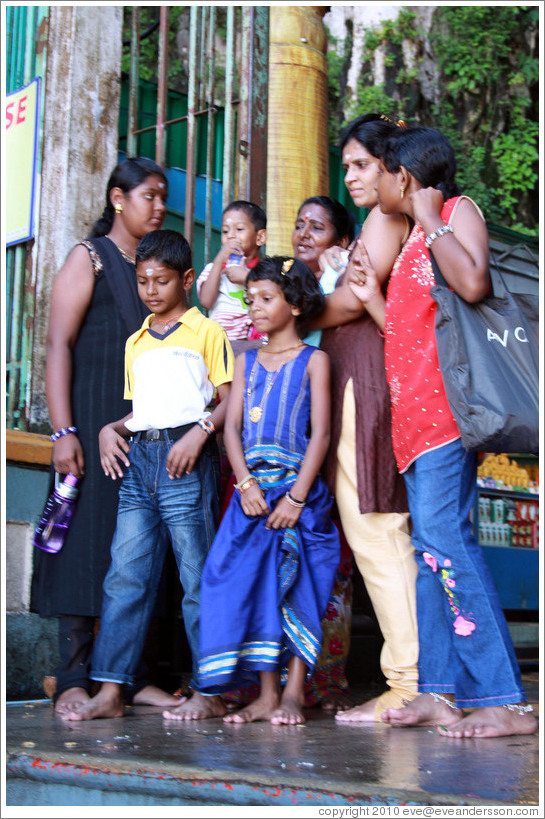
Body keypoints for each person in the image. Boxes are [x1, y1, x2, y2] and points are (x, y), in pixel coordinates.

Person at [348, 124, 537, 739]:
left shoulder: (454, 213)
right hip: (414, 426)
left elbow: (474, 282)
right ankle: (438, 690)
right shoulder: (408, 247)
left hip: (446, 422)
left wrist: (432, 216)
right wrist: (368, 294)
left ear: (405, 177)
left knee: (448, 548)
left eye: (381, 171)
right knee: (432, 556)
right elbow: (408, 334)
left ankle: (503, 699)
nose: (372, 182)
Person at [62, 229, 234, 721]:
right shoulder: (136, 341)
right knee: (125, 578)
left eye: (161, 281)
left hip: (185, 461)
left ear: (184, 279)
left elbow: (228, 400)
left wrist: (200, 433)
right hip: (140, 465)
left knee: (197, 579)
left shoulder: (207, 332)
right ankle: (112, 691)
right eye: (142, 282)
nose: (151, 291)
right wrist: (106, 430)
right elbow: (142, 412)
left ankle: (210, 689)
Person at [30, 157, 181, 714]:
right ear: (118, 199)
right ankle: (72, 675)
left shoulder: (155, 269)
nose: (159, 206)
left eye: (163, 196)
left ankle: (133, 676)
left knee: (140, 548)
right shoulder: (87, 258)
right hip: (90, 424)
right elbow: (56, 347)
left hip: (144, 431)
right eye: (149, 195)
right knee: (85, 544)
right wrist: (64, 430)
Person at [164, 256, 340, 725]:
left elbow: (321, 434)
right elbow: (232, 431)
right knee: (233, 579)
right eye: (251, 299)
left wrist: (298, 499)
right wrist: (243, 484)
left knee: (301, 586)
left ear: (297, 305)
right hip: (253, 496)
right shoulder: (245, 362)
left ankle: (294, 693)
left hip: (298, 497)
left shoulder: (315, 361)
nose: (255, 308)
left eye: (266, 299)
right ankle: (265, 693)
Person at [309, 115, 420, 724]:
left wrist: (292, 316)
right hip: (364, 379)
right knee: (376, 530)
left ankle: (408, 683)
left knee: (376, 529)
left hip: (367, 384)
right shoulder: (385, 215)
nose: (349, 176)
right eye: (345, 165)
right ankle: (412, 678)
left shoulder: (385, 213)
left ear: (388, 165)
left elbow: (355, 297)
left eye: (359, 165)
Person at [289, 196, 356, 713]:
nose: (305, 233)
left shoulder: (339, 282)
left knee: (331, 554)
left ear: (340, 238)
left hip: (330, 428)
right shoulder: (280, 283)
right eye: (299, 225)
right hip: (280, 435)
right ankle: (273, 682)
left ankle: (324, 680)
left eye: (318, 227)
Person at [196, 200, 267, 343]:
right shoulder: (213, 269)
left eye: (239, 229)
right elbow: (206, 301)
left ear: (259, 237)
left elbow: (273, 295)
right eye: (225, 231)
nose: (231, 236)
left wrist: (247, 278)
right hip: (222, 342)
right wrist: (218, 262)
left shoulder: (265, 270)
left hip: (254, 343)